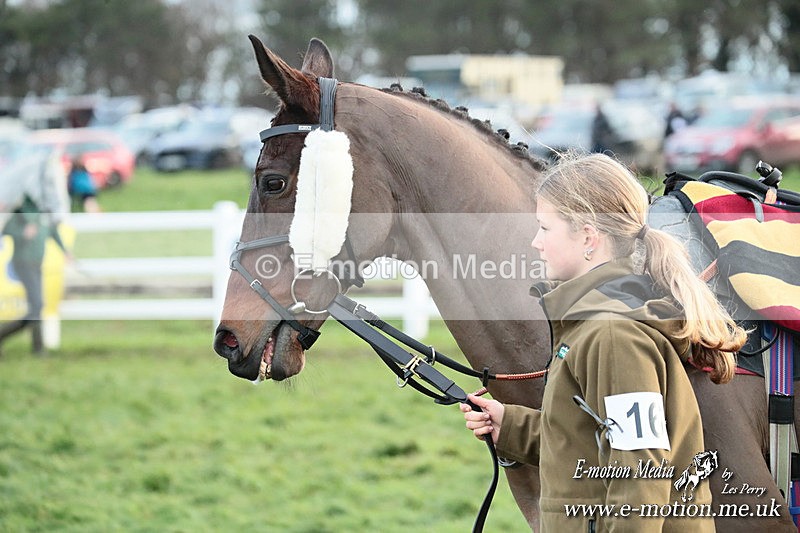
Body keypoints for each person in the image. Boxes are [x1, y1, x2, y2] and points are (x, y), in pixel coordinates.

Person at [461, 153, 746, 532]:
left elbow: (639, 476)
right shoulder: (593, 323)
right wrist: (510, 426)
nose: (535, 242)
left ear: (588, 236)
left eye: (545, 228)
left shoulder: (613, 334)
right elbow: (586, 439)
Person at [0, 147, 69, 356]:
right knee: (37, 304)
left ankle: (38, 348)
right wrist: (23, 232)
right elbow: (8, 230)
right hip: (23, 261)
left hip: (36, 261)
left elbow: (51, 229)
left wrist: (66, 251)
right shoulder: (20, 212)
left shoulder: (41, 209)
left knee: (36, 305)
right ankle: (34, 347)